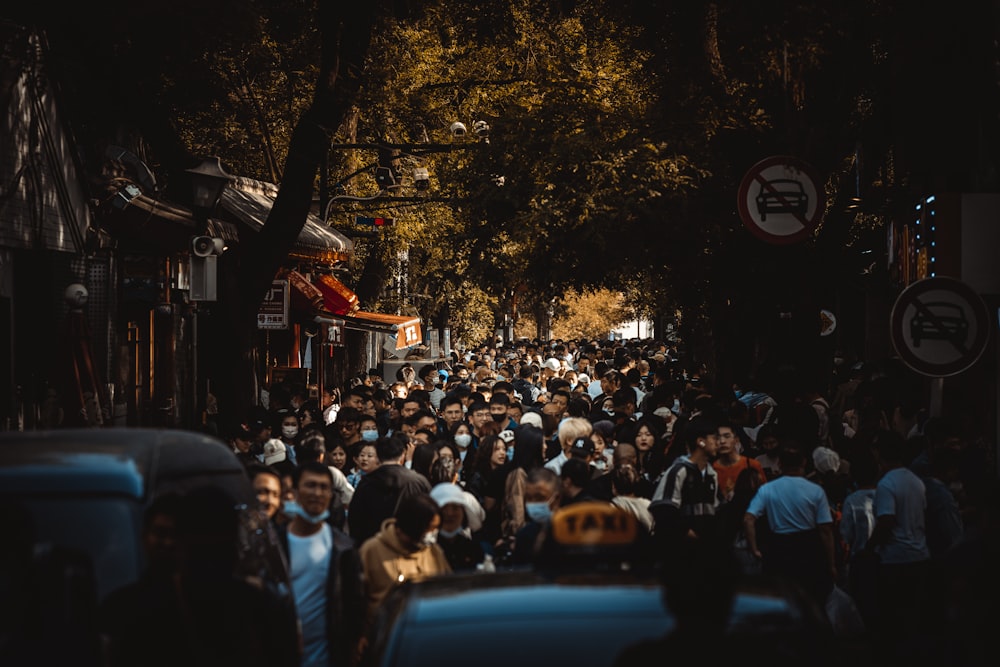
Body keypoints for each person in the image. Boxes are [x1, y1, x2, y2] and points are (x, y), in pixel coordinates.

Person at [277, 461, 365, 667]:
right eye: (310, 485)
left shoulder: (343, 548)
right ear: (295, 491)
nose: (317, 493)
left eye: (324, 487)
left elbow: (354, 602)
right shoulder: (275, 545)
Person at [863, 429, 931, 660]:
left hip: (895, 559)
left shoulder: (887, 484)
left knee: (891, 617)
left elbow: (886, 521)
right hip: (919, 556)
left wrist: (869, 547)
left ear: (881, 454)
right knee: (911, 617)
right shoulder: (916, 481)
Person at [744, 446, 836, 608]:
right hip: (808, 547)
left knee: (782, 599)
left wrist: (754, 548)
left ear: (779, 464)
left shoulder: (768, 489)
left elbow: (748, 519)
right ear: (804, 462)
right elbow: (825, 530)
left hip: (779, 547)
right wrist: (831, 564)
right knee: (810, 599)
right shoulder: (815, 490)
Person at [358, 493, 452, 630]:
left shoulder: (433, 551)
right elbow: (356, 601)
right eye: (429, 529)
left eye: (436, 529)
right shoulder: (371, 550)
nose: (433, 535)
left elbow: (447, 588)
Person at [649, 415, 721, 550]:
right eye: (714, 438)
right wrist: (687, 533)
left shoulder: (712, 474)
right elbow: (663, 510)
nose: (719, 443)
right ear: (701, 441)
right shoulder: (679, 471)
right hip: (679, 550)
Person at [348, 434, 431, 547]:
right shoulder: (418, 481)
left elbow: (355, 520)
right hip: (409, 546)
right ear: (402, 455)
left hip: (374, 547)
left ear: (378, 457)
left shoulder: (366, 483)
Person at [510, 467, 562, 566]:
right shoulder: (525, 535)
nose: (533, 503)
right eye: (529, 498)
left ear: (556, 498)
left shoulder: (572, 530)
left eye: (540, 498)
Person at [429, 482, 487, 571]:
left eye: (455, 508)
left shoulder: (473, 548)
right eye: (444, 508)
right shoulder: (426, 551)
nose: (449, 513)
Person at [713, 420, 766, 503]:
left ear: (736, 439)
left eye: (727, 436)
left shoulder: (752, 465)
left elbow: (764, 496)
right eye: (718, 437)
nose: (722, 441)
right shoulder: (712, 470)